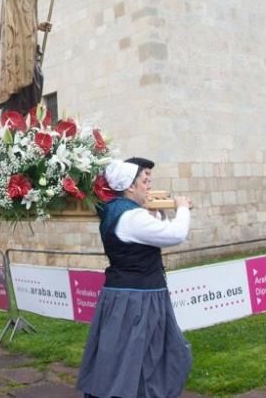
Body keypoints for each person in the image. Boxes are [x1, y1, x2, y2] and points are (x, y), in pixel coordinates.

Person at [76, 157, 192, 398]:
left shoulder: (118, 211)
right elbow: (176, 234)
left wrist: (159, 213)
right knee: (137, 359)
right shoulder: (132, 217)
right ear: (130, 186)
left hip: (125, 295)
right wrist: (181, 207)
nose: (147, 185)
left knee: (123, 356)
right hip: (137, 300)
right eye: (143, 181)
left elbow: (150, 237)